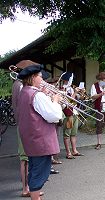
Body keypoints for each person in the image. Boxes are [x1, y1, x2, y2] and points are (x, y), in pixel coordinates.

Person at [17, 64, 63, 200]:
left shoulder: (24, 91)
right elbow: (54, 115)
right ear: (33, 78)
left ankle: (34, 195)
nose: (43, 80)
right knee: (40, 172)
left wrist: (44, 94)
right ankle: (36, 197)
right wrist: (55, 101)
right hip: (40, 141)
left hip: (31, 140)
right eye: (40, 77)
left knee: (34, 169)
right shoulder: (36, 95)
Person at [60, 72, 84, 159]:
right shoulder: (62, 89)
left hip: (75, 113)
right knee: (67, 134)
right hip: (68, 115)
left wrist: (81, 93)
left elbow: (79, 99)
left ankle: (74, 150)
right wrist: (75, 93)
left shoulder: (71, 89)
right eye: (71, 80)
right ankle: (68, 152)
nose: (72, 81)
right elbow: (68, 103)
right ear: (67, 80)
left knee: (74, 133)